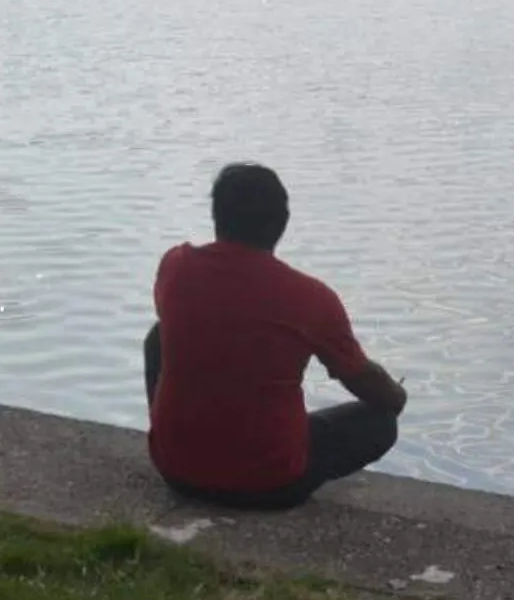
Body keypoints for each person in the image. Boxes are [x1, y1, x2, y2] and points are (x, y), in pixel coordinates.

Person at [144, 163, 405, 510]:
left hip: (176, 471)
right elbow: (364, 380)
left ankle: (181, 442)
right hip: (270, 484)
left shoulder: (176, 266)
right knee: (380, 423)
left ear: (217, 216)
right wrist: (397, 396)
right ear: (281, 223)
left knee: (160, 337)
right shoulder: (311, 298)